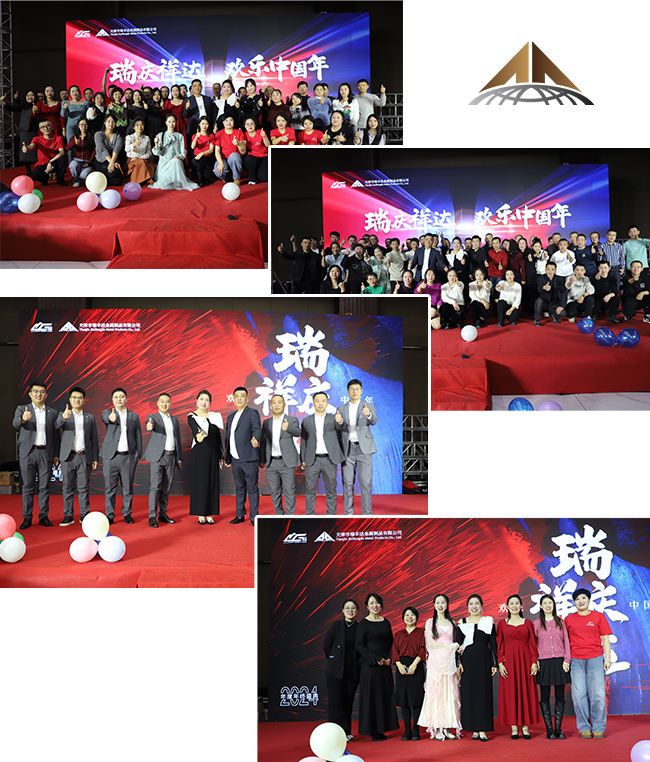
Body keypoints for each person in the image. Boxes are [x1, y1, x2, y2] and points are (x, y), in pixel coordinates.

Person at [564, 588, 612, 739]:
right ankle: (584, 727)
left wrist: (608, 659)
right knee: (578, 695)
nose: (581, 601)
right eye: (577, 599)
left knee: (597, 694)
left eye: (583, 598)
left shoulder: (598, 616)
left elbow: (605, 639)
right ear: (574, 602)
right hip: (576, 660)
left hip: (595, 658)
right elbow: (565, 641)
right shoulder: (568, 619)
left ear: (589, 600)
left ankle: (598, 727)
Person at [12, 381, 60, 529]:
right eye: (36, 391)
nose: (39, 394)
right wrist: (22, 419)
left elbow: (56, 436)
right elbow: (15, 424)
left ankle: (43, 516)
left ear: (46, 395)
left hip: (46, 453)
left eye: (42, 392)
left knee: (45, 487)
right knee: (27, 487)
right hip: (28, 453)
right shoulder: (22, 409)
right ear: (30, 394)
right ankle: (27, 517)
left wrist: (56, 455)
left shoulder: (52, 413)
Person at [356, 593, 399, 741]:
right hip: (370, 666)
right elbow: (359, 645)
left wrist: (388, 658)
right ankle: (373, 731)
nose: (375, 606)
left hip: (384, 666)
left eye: (377, 603)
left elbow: (391, 642)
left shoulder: (385, 622)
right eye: (372, 603)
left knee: (384, 696)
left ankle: (382, 729)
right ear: (367, 606)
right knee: (372, 697)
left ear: (381, 605)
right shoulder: (363, 623)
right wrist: (376, 659)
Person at [418, 593, 461, 741]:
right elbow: (430, 643)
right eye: (438, 602)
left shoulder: (452, 623)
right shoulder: (430, 622)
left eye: (443, 602)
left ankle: (447, 727)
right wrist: (451, 646)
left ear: (447, 605)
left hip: (449, 662)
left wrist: (455, 648)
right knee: (436, 694)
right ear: (434, 605)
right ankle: (437, 727)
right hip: (436, 663)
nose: (440, 605)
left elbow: (456, 642)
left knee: (449, 693)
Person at [497, 594, 540, 739]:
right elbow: (499, 645)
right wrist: (500, 663)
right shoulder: (502, 624)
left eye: (517, 603)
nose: (514, 606)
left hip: (525, 661)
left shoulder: (528, 623)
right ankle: (514, 727)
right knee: (511, 692)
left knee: (526, 691)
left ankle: (526, 727)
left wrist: (534, 662)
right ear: (507, 607)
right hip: (509, 662)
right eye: (511, 604)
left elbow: (532, 644)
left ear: (521, 606)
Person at [55, 387, 98, 526]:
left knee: (83, 488)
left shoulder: (90, 418)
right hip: (68, 457)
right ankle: (68, 515)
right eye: (74, 397)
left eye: (80, 398)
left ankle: (84, 515)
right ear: (70, 400)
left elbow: (94, 439)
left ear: (84, 400)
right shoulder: (64, 415)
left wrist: (95, 458)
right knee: (67, 487)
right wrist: (63, 417)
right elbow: (56, 426)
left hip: (84, 456)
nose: (77, 400)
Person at [456, 594, 497, 742]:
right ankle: (473, 728)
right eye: (471, 604)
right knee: (469, 694)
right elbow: (457, 644)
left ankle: (483, 729)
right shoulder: (462, 622)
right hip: (467, 662)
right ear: (467, 607)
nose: (474, 606)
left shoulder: (488, 621)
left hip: (484, 661)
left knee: (483, 694)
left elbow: (493, 644)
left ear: (481, 606)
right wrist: (458, 663)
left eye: (477, 603)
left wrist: (494, 663)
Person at [100, 387, 142, 524]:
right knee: (110, 489)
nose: (119, 399)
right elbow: (106, 418)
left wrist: (138, 454)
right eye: (116, 397)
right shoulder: (108, 413)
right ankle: (110, 515)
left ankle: (127, 514)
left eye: (122, 396)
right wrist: (111, 418)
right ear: (112, 400)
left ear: (126, 399)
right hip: (110, 457)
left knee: (128, 488)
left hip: (128, 457)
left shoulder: (134, 416)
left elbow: (138, 435)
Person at [335, 379, 377, 516]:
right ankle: (348, 513)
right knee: (347, 483)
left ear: (361, 391)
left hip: (364, 449)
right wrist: (340, 422)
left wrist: (368, 414)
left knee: (365, 483)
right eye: (352, 389)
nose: (354, 391)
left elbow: (374, 421)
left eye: (357, 389)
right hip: (348, 449)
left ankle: (367, 514)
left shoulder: (368, 406)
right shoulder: (341, 409)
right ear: (348, 392)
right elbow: (339, 428)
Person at [533, 594, 571, 740]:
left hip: (560, 662)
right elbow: (533, 644)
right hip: (543, 663)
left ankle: (558, 729)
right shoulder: (537, 623)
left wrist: (567, 660)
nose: (548, 605)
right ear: (541, 606)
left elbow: (566, 641)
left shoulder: (560, 622)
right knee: (545, 696)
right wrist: (535, 661)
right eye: (545, 603)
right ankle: (549, 729)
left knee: (560, 696)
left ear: (553, 605)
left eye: (550, 603)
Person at [300, 392, 344, 515]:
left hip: (329, 459)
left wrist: (340, 422)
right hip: (312, 459)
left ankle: (331, 514)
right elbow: (303, 441)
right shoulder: (307, 421)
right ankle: (310, 514)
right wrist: (303, 459)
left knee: (331, 488)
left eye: (323, 401)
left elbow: (342, 433)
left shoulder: (334, 419)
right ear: (313, 403)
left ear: (327, 403)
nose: (320, 403)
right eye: (317, 401)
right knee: (310, 488)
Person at [324, 599, 361, 742]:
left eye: (353, 608)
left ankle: (346, 731)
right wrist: (335, 659)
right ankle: (335, 733)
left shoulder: (359, 628)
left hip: (352, 671)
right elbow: (327, 646)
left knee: (348, 701)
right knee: (336, 701)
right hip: (335, 671)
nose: (350, 610)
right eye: (347, 608)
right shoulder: (336, 626)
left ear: (357, 611)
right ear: (343, 611)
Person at [143, 393, 181, 528]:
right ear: (157, 403)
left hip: (171, 457)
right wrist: (149, 425)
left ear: (171, 404)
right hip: (158, 457)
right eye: (162, 401)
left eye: (167, 402)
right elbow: (149, 424)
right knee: (155, 487)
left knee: (166, 487)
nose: (165, 404)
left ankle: (163, 514)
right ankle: (152, 516)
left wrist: (179, 458)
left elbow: (178, 439)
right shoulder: (153, 417)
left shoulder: (174, 420)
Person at [225, 387, 261, 525]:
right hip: (235, 459)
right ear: (233, 399)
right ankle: (240, 514)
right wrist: (228, 457)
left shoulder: (252, 413)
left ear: (247, 398)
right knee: (239, 487)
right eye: (237, 396)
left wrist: (256, 439)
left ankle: (254, 516)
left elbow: (256, 429)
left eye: (242, 396)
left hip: (249, 457)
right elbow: (228, 437)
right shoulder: (230, 416)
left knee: (252, 488)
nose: (239, 398)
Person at [259, 395, 301, 515]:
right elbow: (263, 442)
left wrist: (288, 429)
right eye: (274, 403)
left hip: (286, 462)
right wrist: (262, 459)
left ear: (284, 405)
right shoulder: (266, 422)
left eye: (279, 402)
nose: (277, 405)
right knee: (275, 491)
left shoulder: (291, 419)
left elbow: (298, 432)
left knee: (289, 490)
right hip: (271, 462)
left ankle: (289, 516)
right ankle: (279, 514)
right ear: (271, 405)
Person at [187, 390, 223, 524]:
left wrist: (221, 455)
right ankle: (201, 513)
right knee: (201, 482)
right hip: (200, 452)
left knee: (212, 482)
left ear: (210, 403)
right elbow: (194, 429)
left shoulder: (215, 416)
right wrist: (197, 435)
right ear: (197, 401)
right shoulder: (192, 416)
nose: (204, 402)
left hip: (213, 453)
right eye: (201, 399)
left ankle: (210, 513)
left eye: (207, 400)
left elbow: (217, 437)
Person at [392, 607, 426, 741]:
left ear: (417, 617)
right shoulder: (399, 634)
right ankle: (407, 730)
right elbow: (394, 650)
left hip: (416, 666)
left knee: (416, 700)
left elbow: (423, 649)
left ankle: (416, 730)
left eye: (412, 615)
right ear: (403, 618)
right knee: (404, 701)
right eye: (407, 615)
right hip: (401, 667)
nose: (409, 617)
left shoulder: (422, 632)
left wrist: (414, 664)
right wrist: (399, 665)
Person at [152, 114, 199, 191]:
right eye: (169, 121)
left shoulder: (180, 136)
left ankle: (177, 181)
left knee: (175, 161)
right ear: (166, 122)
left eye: (173, 121)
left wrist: (179, 157)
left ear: (176, 122)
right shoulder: (160, 135)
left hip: (176, 165)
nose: (171, 124)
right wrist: (156, 144)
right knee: (167, 176)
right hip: (164, 166)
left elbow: (183, 153)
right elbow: (156, 153)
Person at [2, 90, 40, 172]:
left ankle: (37, 170)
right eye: (28, 95)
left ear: (35, 97)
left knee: (36, 152)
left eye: (32, 95)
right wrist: (5, 102)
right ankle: (28, 171)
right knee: (25, 152)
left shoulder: (39, 105)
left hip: (36, 131)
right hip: (25, 132)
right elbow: (11, 108)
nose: (30, 97)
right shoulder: (23, 106)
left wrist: (36, 111)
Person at [22, 119, 67, 186]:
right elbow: (31, 146)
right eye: (43, 127)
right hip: (42, 163)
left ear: (52, 127)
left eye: (48, 126)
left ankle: (60, 180)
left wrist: (50, 162)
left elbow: (62, 152)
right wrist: (26, 148)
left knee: (63, 159)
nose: (46, 128)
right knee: (34, 176)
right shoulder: (37, 139)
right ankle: (45, 179)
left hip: (54, 162)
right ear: (40, 130)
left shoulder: (58, 138)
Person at [212, 115, 246, 184]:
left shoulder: (239, 132)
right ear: (223, 122)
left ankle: (236, 178)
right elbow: (217, 151)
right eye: (226, 121)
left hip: (235, 157)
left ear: (234, 121)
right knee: (218, 172)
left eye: (231, 120)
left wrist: (238, 143)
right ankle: (226, 177)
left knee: (234, 156)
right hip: (223, 158)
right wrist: (220, 163)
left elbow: (243, 151)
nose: (229, 122)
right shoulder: (219, 134)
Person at [93, 114, 124, 186]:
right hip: (101, 161)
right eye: (109, 121)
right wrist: (112, 163)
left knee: (118, 181)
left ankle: (104, 178)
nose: (111, 124)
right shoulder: (98, 134)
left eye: (113, 122)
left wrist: (112, 162)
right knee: (113, 173)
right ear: (104, 123)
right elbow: (102, 149)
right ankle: (102, 177)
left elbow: (116, 150)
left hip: (113, 160)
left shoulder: (118, 136)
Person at [125, 118, 156, 186]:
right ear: (133, 127)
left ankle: (139, 180)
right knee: (140, 163)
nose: (140, 127)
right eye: (137, 125)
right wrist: (134, 144)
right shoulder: (129, 137)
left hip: (143, 159)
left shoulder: (146, 138)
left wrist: (140, 157)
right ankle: (143, 180)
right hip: (132, 160)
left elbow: (149, 152)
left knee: (142, 162)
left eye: (141, 125)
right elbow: (127, 149)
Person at [534, 262, 567, 326]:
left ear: (555, 271)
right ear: (545, 270)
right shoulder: (540, 279)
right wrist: (544, 287)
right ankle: (537, 319)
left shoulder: (559, 279)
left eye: (552, 269)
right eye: (548, 269)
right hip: (544, 303)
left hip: (554, 303)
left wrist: (562, 306)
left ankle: (554, 316)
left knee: (563, 313)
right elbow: (539, 289)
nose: (550, 271)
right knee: (538, 301)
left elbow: (564, 292)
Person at [184, 78, 216, 143]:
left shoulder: (208, 99)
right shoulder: (188, 100)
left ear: (201, 87)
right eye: (195, 86)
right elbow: (185, 115)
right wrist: (186, 108)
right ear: (192, 88)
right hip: (194, 125)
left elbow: (212, 113)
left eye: (199, 85)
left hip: (207, 125)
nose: (197, 87)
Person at [66, 117, 95, 187]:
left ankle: (84, 177)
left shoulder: (91, 137)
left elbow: (94, 151)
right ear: (78, 126)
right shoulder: (74, 138)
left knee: (83, 175)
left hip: (87, 162)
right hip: (77, 160)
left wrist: (89, 162)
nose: (83, 127)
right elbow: (67, 148)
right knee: (73, 165)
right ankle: (76, 180)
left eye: (85, 125)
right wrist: (73, 143)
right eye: (81, 125)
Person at [242, 117, 269, 185]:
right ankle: (252, 178)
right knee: (248, 159)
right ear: (245, 126)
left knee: (264, 178)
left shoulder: (261, 132)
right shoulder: (244, 134)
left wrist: (264, 137)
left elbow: (268, 145)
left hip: (264, 156)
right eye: (247, 124)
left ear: (255, 125)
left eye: (252, 123)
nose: (250, 126)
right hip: (253, 157)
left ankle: (258, 173)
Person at [189, 116, 215, 186]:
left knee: (208, 175)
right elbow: (192, 147)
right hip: (197, 159)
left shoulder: (211, 136)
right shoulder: (195, 135)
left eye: (206, 124)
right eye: (203, 123)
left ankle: (203, 177)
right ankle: (199, 180)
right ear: (199, 124)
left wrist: (202, 153)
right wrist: (196, 137)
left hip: (207, 158)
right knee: (199, 161)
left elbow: (211, 150)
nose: (204, 126)